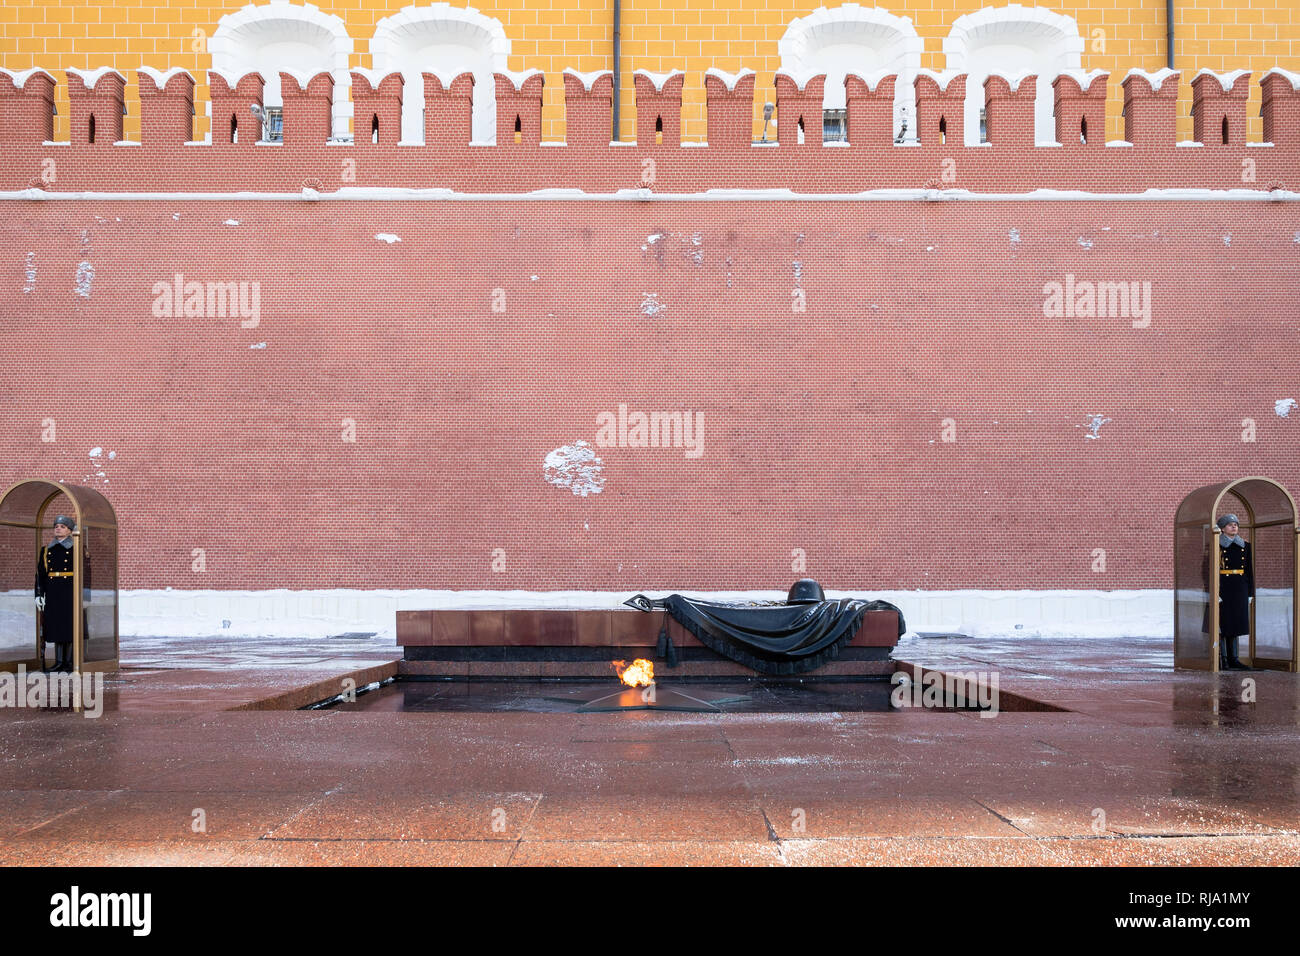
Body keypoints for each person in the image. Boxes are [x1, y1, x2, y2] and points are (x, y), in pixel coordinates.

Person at [35, 515, 88, 674]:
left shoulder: (76, 548)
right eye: (56, 526)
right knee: (57, 626)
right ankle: (59, 662)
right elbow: (40, 574)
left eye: (62, 526)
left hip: (70, 590)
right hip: (53, 591)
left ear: (70, 531)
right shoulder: (46, 550)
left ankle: (70, 662)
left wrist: (84, 594)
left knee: (70, 626)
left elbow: (85, 572)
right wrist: (39, 594)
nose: (58, 528)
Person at [1215, 514, 1253, 670]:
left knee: (1236, 623)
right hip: (1223, 587)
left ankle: (1234, 658)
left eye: (1236, 524)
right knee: (1224, 623)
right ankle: (1223, 659)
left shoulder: (1245, 545)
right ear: (1222, 528)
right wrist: (1213, 590)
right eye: (1230, 525)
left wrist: (1250, 592)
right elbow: (1208, 570)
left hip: (1240, 587)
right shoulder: (1216, 545)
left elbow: (1249, 570)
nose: (1234, 527)